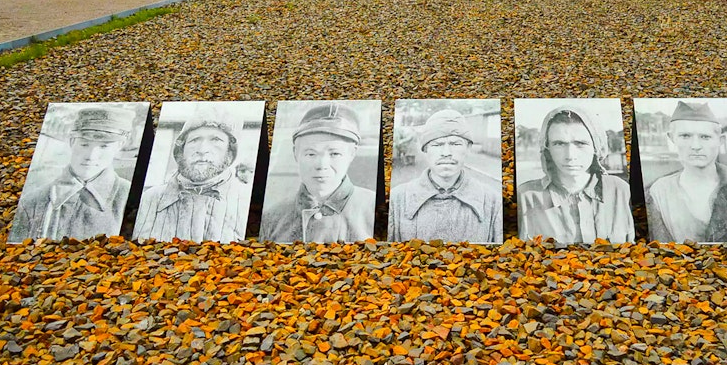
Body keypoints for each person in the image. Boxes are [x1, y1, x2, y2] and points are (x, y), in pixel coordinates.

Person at [9, 105, 136, 242]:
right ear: (72, 141)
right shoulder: (33, 201)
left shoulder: (131, 197)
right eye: (84, 144)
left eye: (104, 146)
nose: (91, 156)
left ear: (119, 146)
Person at [646, 101, 727, 243]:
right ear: (672, 139)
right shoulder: (658, 192)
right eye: (685, 136)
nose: (696, 146)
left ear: (720, 141)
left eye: (705, 137)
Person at [260, 103, 376, 243]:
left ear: (352, 154)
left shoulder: (374, 209)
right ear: (296, 153)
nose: (321, 165)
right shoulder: (272, 217)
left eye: (334, 154)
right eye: (310, 154)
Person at [517, 106, 634, 244]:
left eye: (580, 143)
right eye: (559, 144)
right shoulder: (525, 197)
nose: (570, 156)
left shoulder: (621, 191)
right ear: (547, 148)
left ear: (596, 147)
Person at [133, 112, 251, 243]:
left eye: (216, 140)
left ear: (230, 152)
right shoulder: (151, 198)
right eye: (194, 140)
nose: (202, 149)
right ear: (180, 150)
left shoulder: (247, 200)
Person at [388, 109, 502, 243]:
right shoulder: (397, 200)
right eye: (437, 144)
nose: (446, 152)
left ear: (468, 148)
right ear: (425, 149)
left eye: (455, 144)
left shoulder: (493, 201)